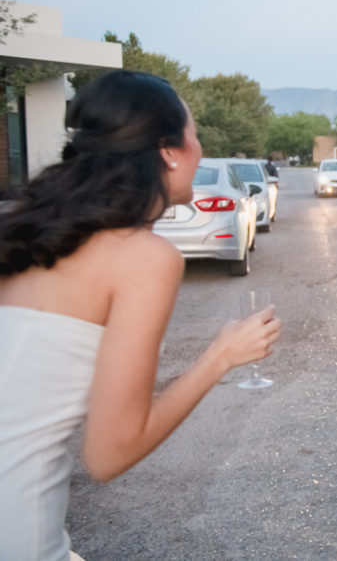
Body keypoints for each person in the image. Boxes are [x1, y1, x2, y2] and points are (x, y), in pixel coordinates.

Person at [0, 70, 282, 561]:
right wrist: (220, 356)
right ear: (169, 150)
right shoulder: (143, 258)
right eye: (195, 135)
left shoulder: (28, 236)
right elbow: (109, 455)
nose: (200, 150)